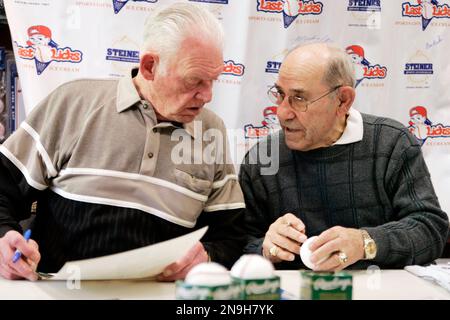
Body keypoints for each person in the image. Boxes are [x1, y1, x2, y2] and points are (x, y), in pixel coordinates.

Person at [0, 3, 245, 281]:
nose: (208, 95)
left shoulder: (211, 131)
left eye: (213, 80)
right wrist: (4, 239)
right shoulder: (73, 104)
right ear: (150, 66)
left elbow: (232, 236)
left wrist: (208, 256)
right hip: (61, 292)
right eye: (194, 81)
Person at [240, 43, 449, 271]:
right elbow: (237, 245)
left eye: (299, 99)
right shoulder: (262, 159)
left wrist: (365, 243)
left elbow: (430, 230)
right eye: (280, 94)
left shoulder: (391, 144)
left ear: (343, 100)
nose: (282, 112)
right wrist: (266, 248)